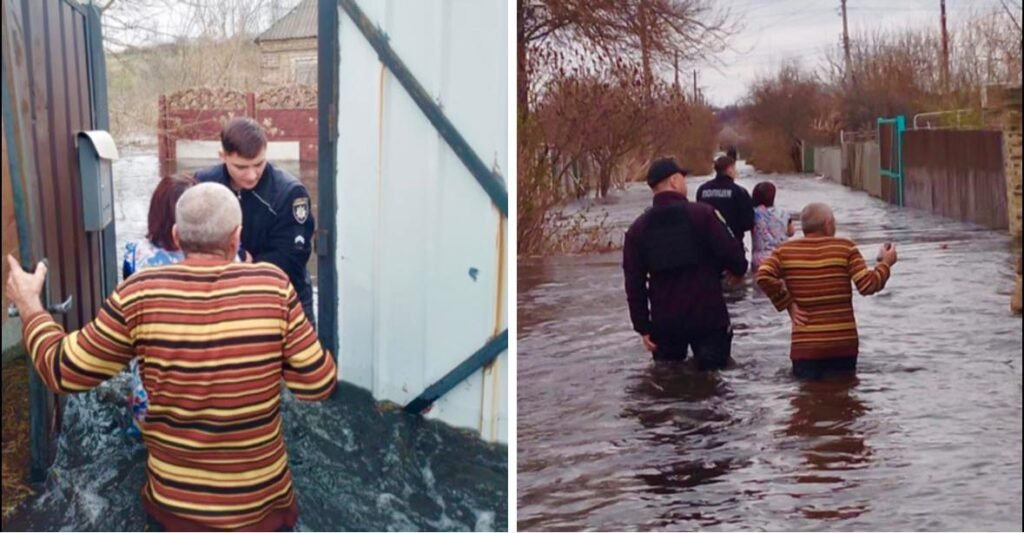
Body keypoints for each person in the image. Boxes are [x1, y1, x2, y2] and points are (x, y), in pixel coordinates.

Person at [6, 182, 337, 531]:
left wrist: (30, 306)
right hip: (265, 509)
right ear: (237, 238)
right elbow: (318, 385)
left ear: (177, 237)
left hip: (175, 512)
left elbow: (63, 370)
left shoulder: (140, 292)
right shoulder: (274, 287)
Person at [623, 158, 748, 370]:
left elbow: (634, 284)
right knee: (714, 386)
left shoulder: (638, 228)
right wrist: (737, 272)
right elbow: (734, 254)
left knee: (669, 386)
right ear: (674, 181)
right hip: (708, 317)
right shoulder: (703, 214)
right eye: (683, 178)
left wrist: (643, 327)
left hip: (665, 323)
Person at [195, 117, 318, 328]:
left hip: (284, 299)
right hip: (225, 301)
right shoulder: (203, 185)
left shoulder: (289, 193)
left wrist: (245, 263)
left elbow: (294, 256)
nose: (252, 175)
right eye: (241, 167)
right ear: (222, 156)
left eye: (259, 164)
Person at [755, 202, 898, 380]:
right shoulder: (845, 247)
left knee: (806, 401)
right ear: (828, 223)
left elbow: (763, 275)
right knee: (845, 399)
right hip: (842, 345)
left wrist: (788, 304)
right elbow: (868, 286)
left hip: (805, 347)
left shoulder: (784, 252)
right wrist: (885, 263)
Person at [121, 175, 196, 438]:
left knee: (143, 442)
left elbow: (129, 315)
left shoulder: (134, 254)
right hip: (205, 383)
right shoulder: (224, 252)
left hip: (151, 384)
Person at [696, 155, 754, 246]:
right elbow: (748, 222)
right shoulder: (739, 192)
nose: (736, 171)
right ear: (729, 169)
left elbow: (698, 216)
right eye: (734, 168)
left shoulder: (702, 190)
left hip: (707, 246)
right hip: (732, 244)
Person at [750, 181, 795, 271]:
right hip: (782, 258)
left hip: (760, 260)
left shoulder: (753, 213)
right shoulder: (784, 213)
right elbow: (791, 232)